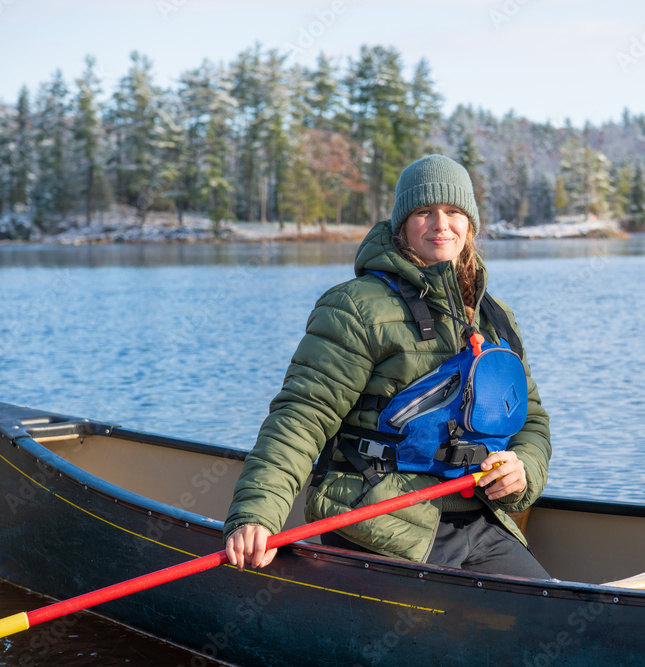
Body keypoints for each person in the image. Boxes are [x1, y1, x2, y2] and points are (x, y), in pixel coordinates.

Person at [224, 154, 551, 579]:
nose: (440, 224)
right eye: (424, 212)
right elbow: (301, 418)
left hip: (477, 518)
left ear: (470, 224)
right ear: (402, 225)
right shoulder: (355, 306)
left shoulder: (494, 316)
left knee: (541, 606)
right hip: (378, 518)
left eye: (453, 211)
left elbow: (533, 423)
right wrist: (256, 514)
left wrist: (522, 471)